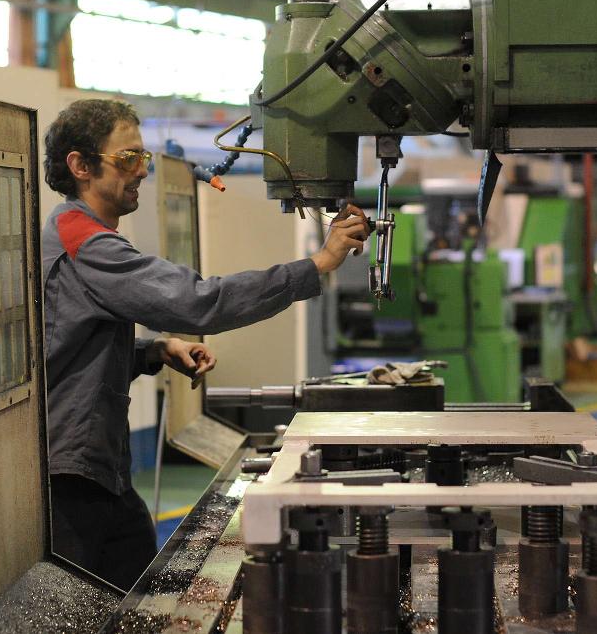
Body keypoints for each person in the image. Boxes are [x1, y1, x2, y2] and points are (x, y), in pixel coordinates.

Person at [40, 99, 369, 590]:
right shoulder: (86, 242)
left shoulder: (82, 237)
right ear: (80, 166)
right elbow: (199, 302)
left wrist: (152, 352)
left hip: (96, 465)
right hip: (71, 475)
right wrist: (316, 266)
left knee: (131, 575)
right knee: (81, 608)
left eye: (144, 159)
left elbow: (67, 344)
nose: (141, 173)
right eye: (127, 159)